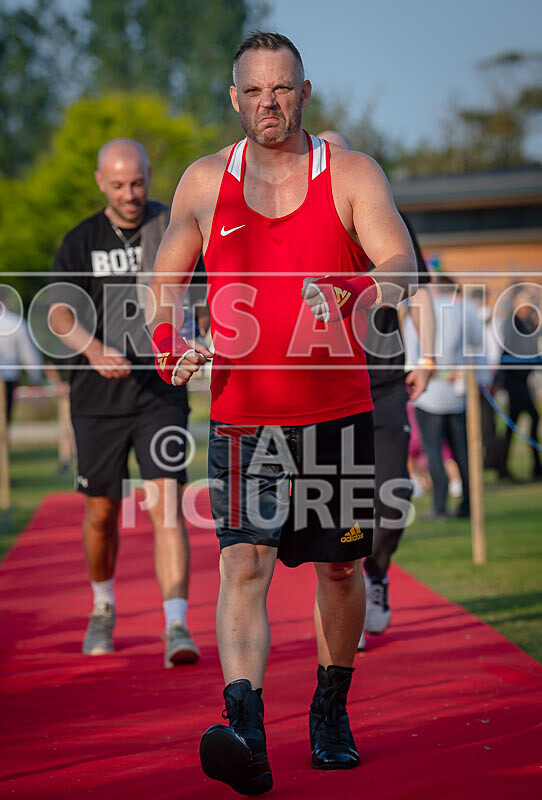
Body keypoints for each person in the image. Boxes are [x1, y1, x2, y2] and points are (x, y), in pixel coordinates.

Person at [148, 33, 417, 794]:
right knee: (243, 562)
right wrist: (169, 340)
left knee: (339, 567)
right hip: (244, 416)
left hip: (335, 411)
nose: (270, 103)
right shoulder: (205, 181)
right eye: (255, 91)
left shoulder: (353, 173)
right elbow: (161, 281)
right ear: (235, 99)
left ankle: (330, 711)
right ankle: (246, 728)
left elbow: (401, 265)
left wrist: (356, 292)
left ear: (305, 92)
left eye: (283, 88)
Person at [48, 138, 200, 668]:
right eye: (118, 185)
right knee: (102, 513)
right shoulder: (81, 239)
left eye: (137, 182)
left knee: (166, 503)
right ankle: (103, 605)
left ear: (149, 175)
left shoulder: (174, 227)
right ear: (100, 182)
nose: (130, 194)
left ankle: (177, 623)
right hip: (97, 398)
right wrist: (91, 349)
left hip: (161, 393)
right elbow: (58, 313)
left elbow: (200, 296)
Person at [317, 131, 435, 649]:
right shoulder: (302, 217)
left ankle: (378, 572)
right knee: (338, 504)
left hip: (385, 378)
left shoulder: (387, 214)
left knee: (394, 496)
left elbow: (421, 294)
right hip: (324, 383)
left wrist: (427, 356)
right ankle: (347, 595)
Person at [413, 276, 482, 519]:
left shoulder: (421, 309)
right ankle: (469, 504)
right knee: (463, 453)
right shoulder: (466, 309)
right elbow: (479, 346)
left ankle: (440, 506)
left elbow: (414, 357)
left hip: (429, 393)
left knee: (434, 453)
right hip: (458, 393)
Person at [495, 285, 542, 480]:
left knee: (514, 423)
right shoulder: (513, 323)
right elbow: (515, 352)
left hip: (522, 380)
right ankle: (533, 466)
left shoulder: (527, 322)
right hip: (514, 381)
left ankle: (503, 466)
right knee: (529, 418)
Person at [0, 286, 43, 423]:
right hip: (7, 380)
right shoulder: (15, 322)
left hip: (8, 379)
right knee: (3, 421)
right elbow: (29, 354)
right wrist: (36, 377)